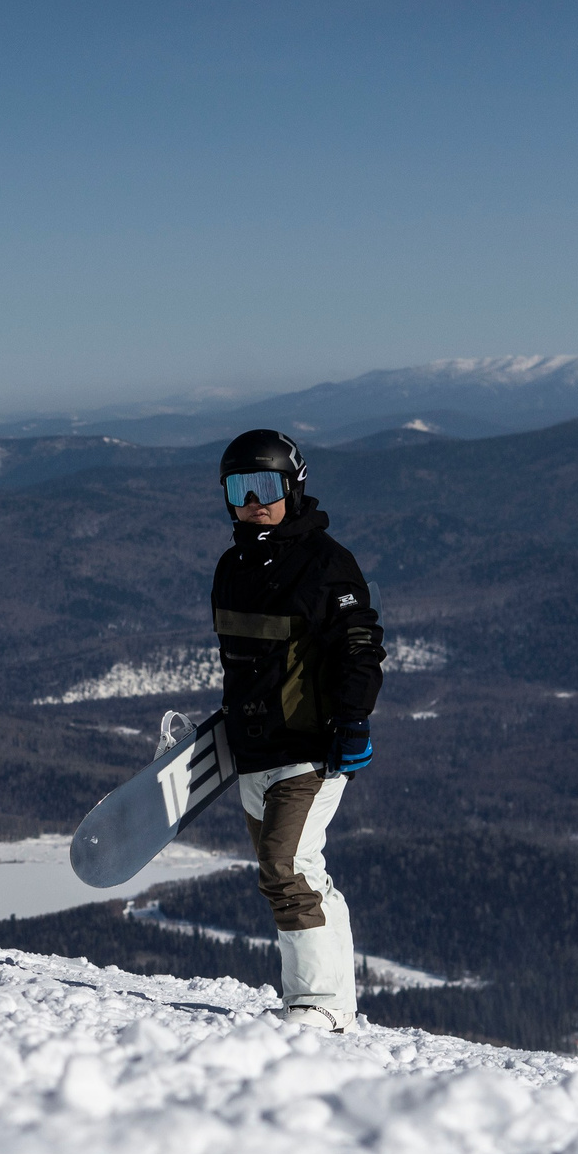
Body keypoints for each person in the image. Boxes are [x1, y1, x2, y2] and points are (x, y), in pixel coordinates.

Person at [212, 428, 383, 1031]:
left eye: (267, 486)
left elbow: (359, 647)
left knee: (283, 871)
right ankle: (338, 1004)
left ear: (294, 486)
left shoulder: (325, 564)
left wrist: (353, 719)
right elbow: (241, 665)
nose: (254, 500)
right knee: (301, 870)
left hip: (311, 750)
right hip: (255, 752)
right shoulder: (233, 567)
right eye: (240, 487)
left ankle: (315, 1004)